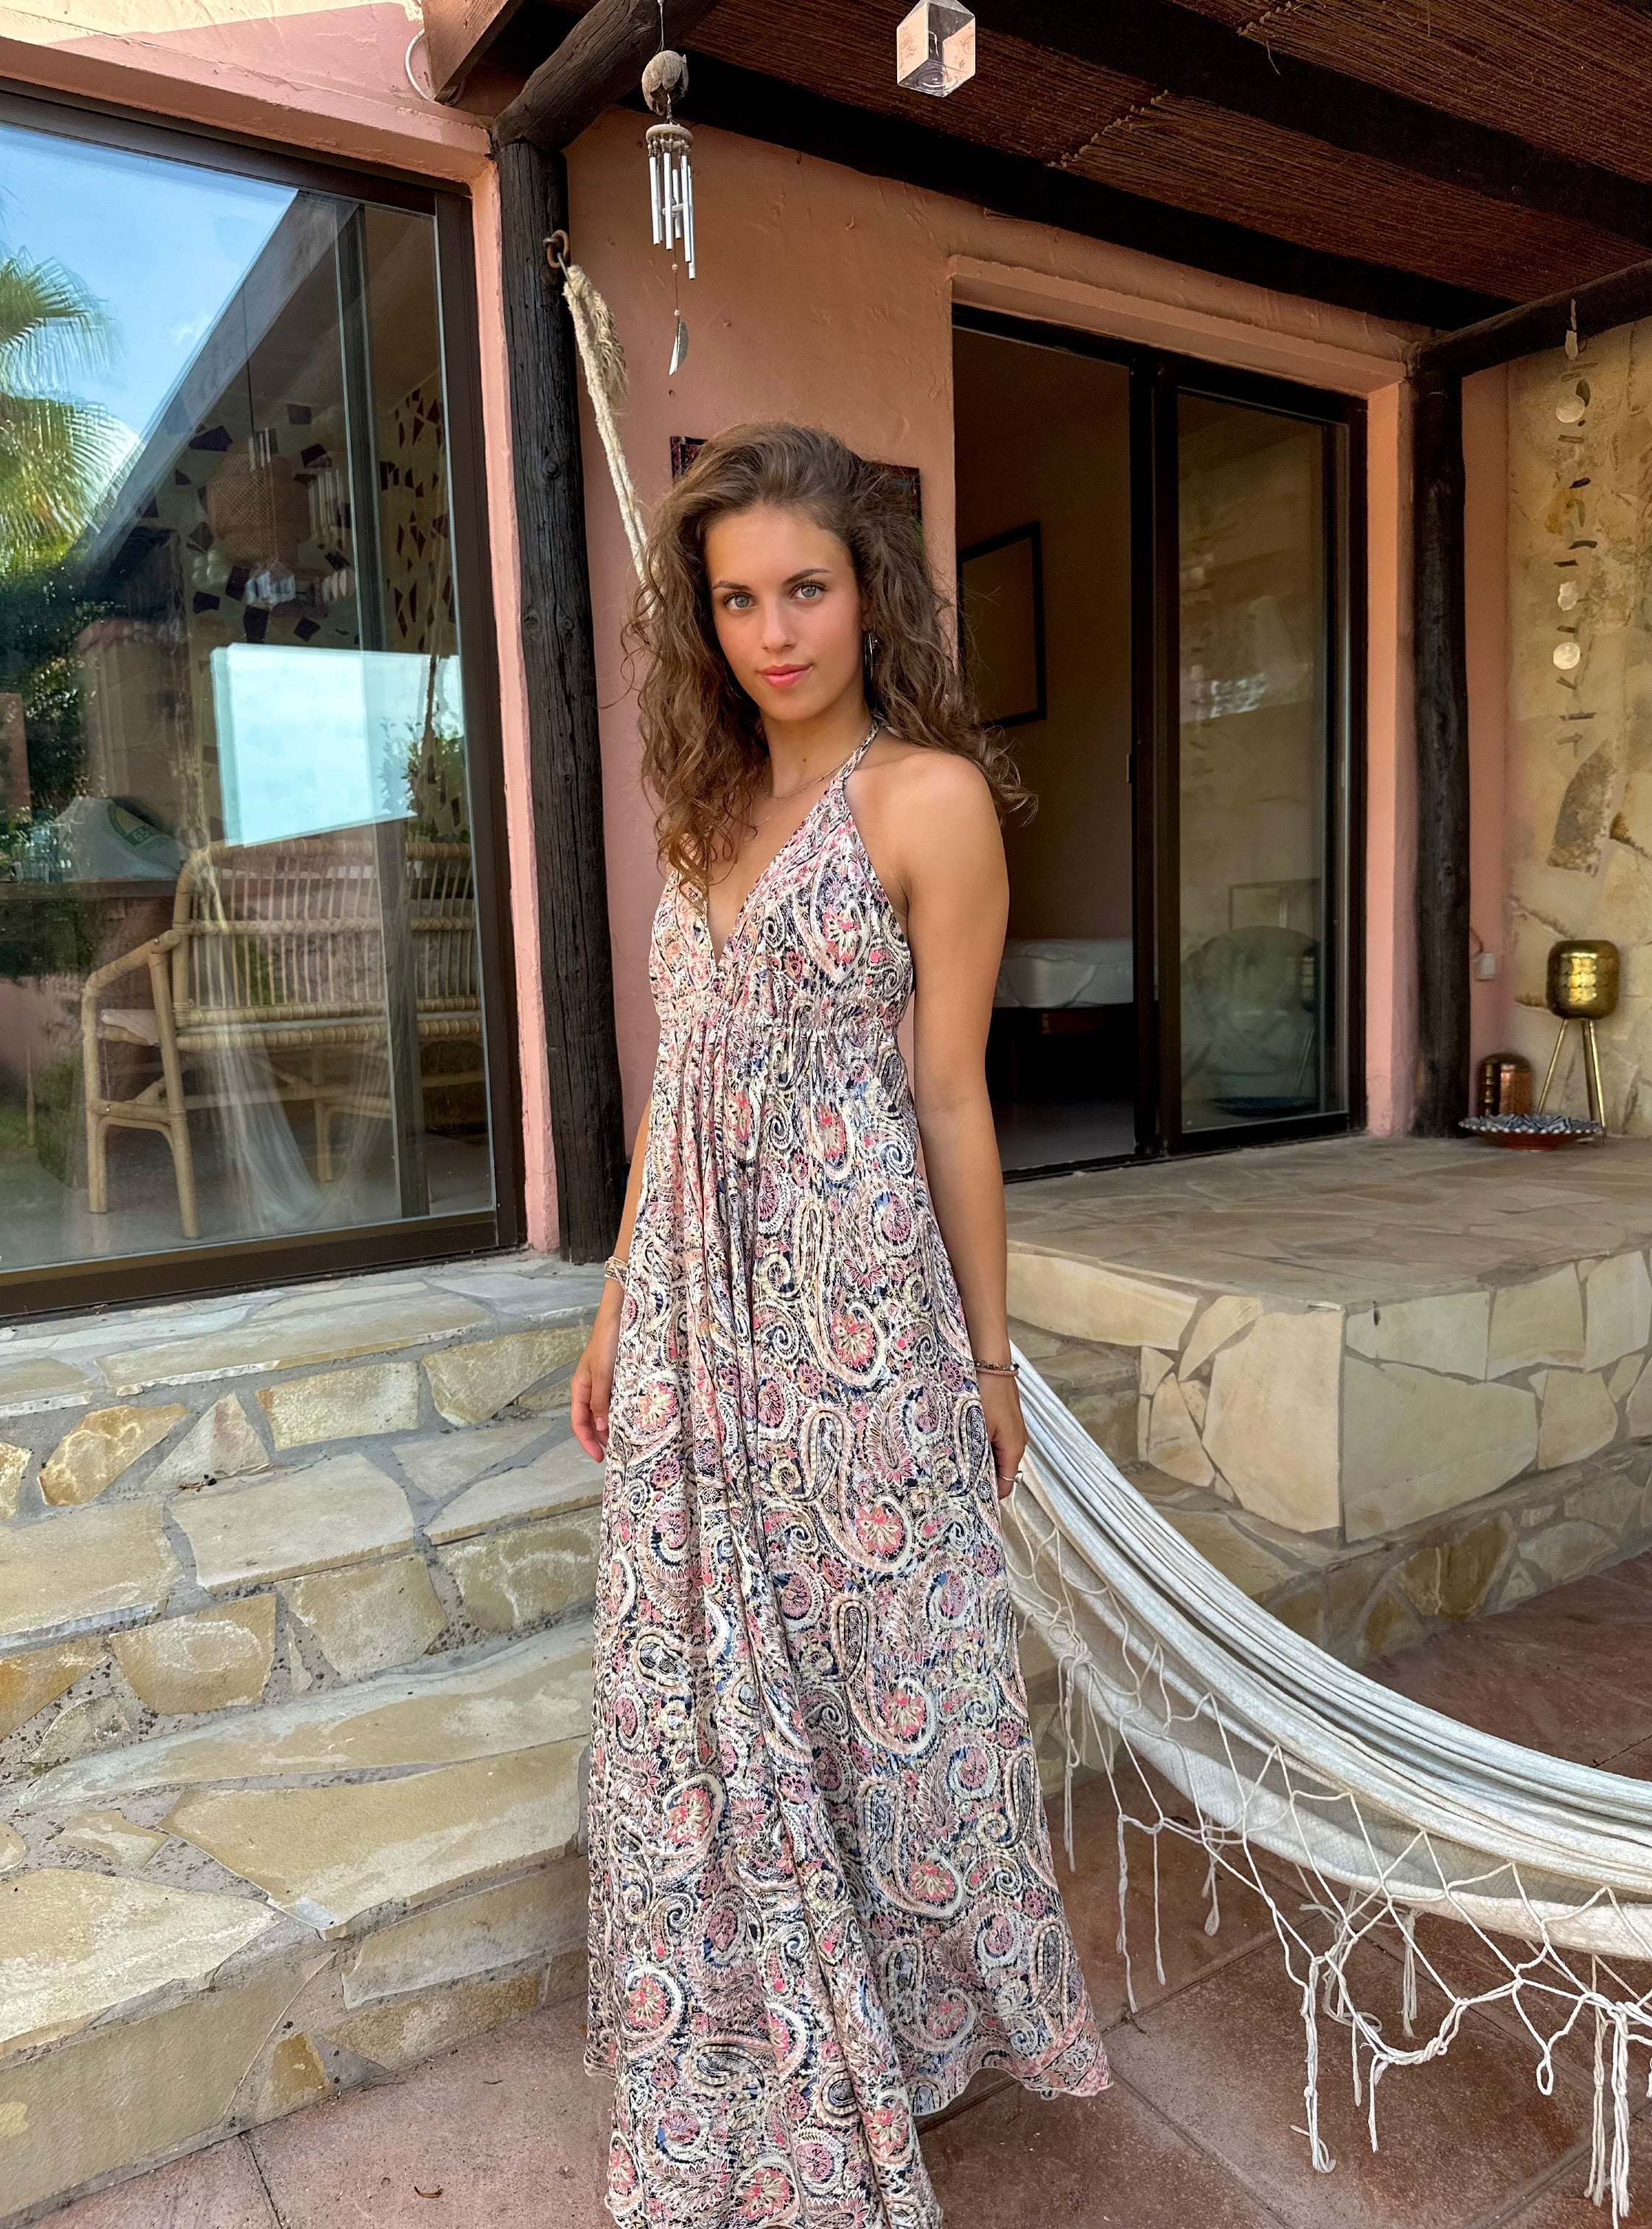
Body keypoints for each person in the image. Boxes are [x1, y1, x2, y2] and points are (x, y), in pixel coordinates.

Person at [571, 423, 1108, 2229]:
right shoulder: (703, 806)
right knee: (708, 1675)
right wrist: (616, 1295)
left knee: (888, 1671)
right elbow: (678, 1085)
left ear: (871, 593)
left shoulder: (926, 802)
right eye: (737, 601)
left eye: (805, 589)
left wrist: (988, 1359)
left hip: (854, 1306)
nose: (774, 633)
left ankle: (911, 2024)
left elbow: (950, 1095)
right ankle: (765, 2030)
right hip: (690, 1314)